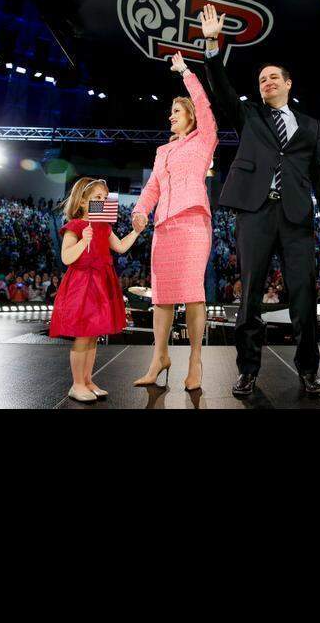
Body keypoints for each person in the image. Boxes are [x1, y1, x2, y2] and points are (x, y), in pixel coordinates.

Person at [200, 4, 320, 397]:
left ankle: (308, 370)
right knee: (250, 298)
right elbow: (222, 88)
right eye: (262, 79)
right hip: (255, 215)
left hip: (296, 218)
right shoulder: (249, 116)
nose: (267, 82)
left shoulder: (310, 126)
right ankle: (247, 370)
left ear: (289, 84)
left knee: (304, 296)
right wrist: (212, 44)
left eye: (274, 77)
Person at [130, 52, 218, 392]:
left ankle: (195, 360)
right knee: (162, 296)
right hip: (163, 226)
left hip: (194, 223)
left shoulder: (204, 137)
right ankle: (160, 357)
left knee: (194, 294)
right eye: (170, 113)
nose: (171, 116)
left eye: (177, 112)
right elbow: (152, 186)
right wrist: (141, 210)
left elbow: (205, 106)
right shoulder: (162, 152)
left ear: (191, 117)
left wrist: (185, 73)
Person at [49, 177, 142, 403]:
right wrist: (83, 241)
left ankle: (88, 380)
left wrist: (136, 232)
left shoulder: (103, 226)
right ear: (82, 202)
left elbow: (119, 247)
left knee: (92, 337)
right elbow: (66, 257)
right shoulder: (76, 226)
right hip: (82, 285)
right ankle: (77, 384)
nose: (102, 200)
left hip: (102, 283)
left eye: (104, 197)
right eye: (97, 197)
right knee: (82, 336)